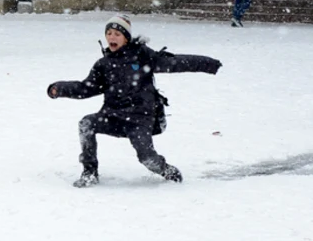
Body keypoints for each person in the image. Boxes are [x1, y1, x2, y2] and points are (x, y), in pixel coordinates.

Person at [47, 14, 222, 188]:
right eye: (109, 33)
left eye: (117, 34)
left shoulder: (142, 56)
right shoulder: (103, 64)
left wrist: (208, 64)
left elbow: (175, 62)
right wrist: (59, 89)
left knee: (147, 159)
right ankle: (89, 172)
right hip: (112, 117)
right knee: (86, 123)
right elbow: (86, 88)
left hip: (139, 119)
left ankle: (166, 170)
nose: (112, 38)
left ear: (126, 38)